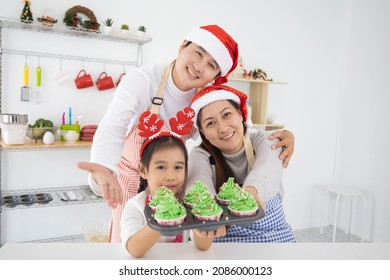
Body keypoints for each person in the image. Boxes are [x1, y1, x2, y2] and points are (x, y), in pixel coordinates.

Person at [77, 24, 295, 242]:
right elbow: (113, 127)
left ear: (215, 76)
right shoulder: (143, 79)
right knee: (129, 246)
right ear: (182, 46)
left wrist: (280, 138)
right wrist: (104, 168)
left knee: (171, 247)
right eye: (198, 53)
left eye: (210, 65)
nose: (199, 67)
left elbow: (243, 129)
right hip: (132, 180)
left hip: (171, 182)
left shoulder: (206, 100)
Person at [186, 84, 296, 242]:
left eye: (227, 115)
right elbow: (197, 187)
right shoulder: (200, 155)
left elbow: (267, 168)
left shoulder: (265, 141)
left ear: (240, 114)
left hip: (277, 242)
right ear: (203, 132)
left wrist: (251, 192)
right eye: (210, 123)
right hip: (225, 246)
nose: (223, 128)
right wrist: (208, 215)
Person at [121, 108, 225, 257]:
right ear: (143, 170)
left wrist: (204, 220)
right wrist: (166, 217)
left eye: (178, 167)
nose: (170, 176)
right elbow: (134, 249)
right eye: (161, 167)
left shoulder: (185, 203)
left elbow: (203, 247)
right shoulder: (136, 206)